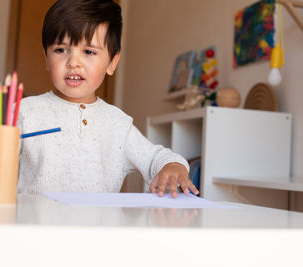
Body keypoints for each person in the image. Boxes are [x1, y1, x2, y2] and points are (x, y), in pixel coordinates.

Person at [17, 0, 199, 198]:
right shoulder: (24, 113)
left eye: (88, 52)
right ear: (46, 58)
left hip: (97, 228)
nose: (73, 62)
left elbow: (155, 157)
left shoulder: (118, 124)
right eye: (61, 50)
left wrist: (172, 165)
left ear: (112, 63)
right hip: (35, 226)